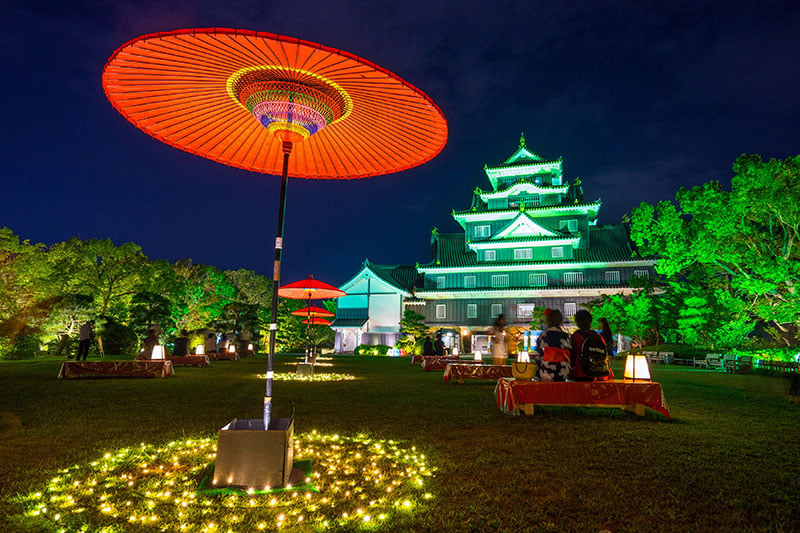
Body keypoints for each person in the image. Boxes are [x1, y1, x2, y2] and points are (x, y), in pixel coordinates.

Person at [569, 310, 612, 381]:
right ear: (590, 322)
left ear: (577, 323)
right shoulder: (598, 337)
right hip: (601, 374)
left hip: (582, 373)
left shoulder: (576, 336)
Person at [534, 309, 571, 381]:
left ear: (548, 321)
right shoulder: (565, 336)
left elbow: (538, 355)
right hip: (562, 371)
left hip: (546, 371)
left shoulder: (543, 335)